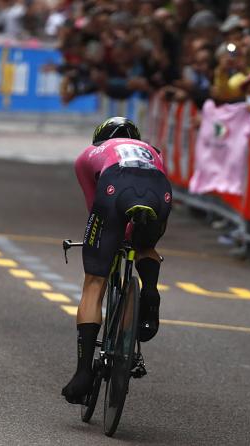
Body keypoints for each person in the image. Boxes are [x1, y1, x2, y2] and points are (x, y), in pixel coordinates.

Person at [62, 117, 172, 404]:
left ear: (99, 138)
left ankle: (83, 374)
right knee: (145, 244)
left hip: (115, 187)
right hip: (160, 190)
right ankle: (149, 291)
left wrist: (107, 243)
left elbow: (94, 206)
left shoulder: (88, 155)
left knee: (94, 282)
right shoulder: (153, 151)